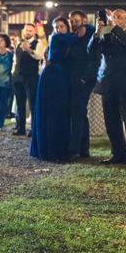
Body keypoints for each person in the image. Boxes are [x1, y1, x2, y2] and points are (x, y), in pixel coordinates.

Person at [30, 17, 77, 161]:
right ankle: (51, 149)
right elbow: (74, 38)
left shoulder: (65, 39)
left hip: (63, 78)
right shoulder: (56, 38)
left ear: (67, 27)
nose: (58, 29)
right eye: (56, 27)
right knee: (51, 112)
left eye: (62, 26)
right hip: (52, 79)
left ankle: (60, 147)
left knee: (61, 112)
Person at [88, 9, 126, 164]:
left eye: (120, 17)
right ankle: (118, 154)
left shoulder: (119, 32)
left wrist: (114, 26)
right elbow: (92, 50)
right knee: (111, 121)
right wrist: (97, 33)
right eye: (115, 17)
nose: (116, 19)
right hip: (108, 82)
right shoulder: (106, 33)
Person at [68, 11, 100, 158]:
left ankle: (75, 149)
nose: (73, 23)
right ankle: (83, 149)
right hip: (73, 78)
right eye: (72, 21)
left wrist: (86, 78)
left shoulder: (92, 34)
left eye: (76, 20)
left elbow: (95, 58)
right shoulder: (73, 37)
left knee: (78, 111)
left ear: (84, 21)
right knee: (79, 112)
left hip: (86, 79)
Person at [11, 23, 43, 136]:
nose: (28, 32)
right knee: (20, 103)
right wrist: (13, 73)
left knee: (32, 103)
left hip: (31, 77)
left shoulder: (38, 43)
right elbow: (16, 60)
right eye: (26, 30)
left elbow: (39, 56)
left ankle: (34, 129)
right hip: (18, 77)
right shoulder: (19, 44)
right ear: (23, 31)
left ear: (33, 32)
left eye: (30, 30)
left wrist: (29, 50)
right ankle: (21, 128)